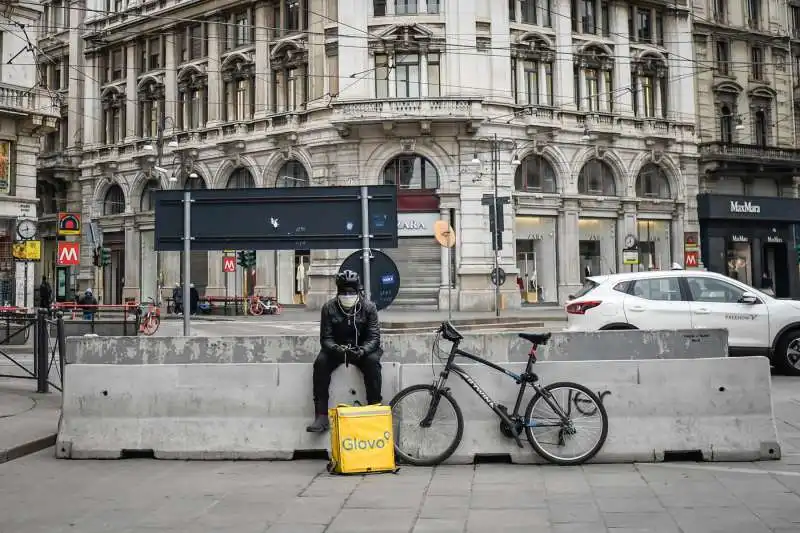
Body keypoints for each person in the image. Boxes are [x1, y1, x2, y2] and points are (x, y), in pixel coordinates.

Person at [306, 270, 382, 433]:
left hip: (361, 350)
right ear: (338, 291)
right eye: (343, 292)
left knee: (373, 363)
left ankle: (374, 409)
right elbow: (325, 338)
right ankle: (321, 415)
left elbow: (374, 337)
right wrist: (335, 348)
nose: (347, 295)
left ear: (358, 291)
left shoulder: (369, 307)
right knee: (320, 363)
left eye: (351, 292)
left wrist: (363, 350)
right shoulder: (328, 308)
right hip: (337, 350)